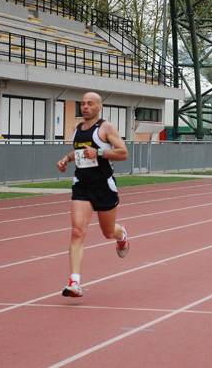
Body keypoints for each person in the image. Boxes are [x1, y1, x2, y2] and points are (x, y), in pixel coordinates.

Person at [57, 91, 130, 297]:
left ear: (100, 107)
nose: (85, 107)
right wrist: (67, 159)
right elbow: (79, 151)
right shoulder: (76, 128)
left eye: (90, 104)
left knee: (108, 232)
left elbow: (123, 152)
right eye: (82, 104)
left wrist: (98, 152)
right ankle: (74, 282)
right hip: (82, 185)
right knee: (77, 231)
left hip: (103, 186)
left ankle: (121, 234)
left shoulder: (106, 128)